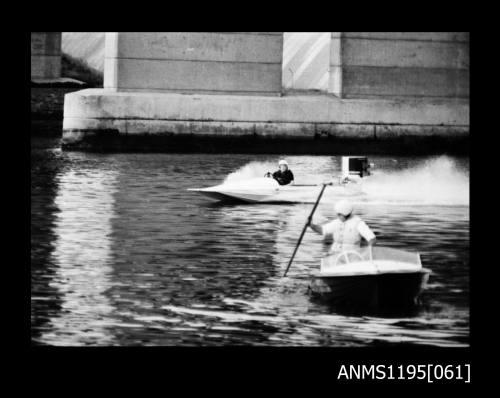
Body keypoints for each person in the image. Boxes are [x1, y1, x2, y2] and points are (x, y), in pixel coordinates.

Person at [308, 200, 376, 255]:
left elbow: (372, 239)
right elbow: (322, 230)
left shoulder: (358, 223)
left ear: (346, 214)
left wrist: (366, 253)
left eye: (339, 214)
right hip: (334, 255)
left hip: (352, 257)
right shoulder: (336, 222)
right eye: (338, 214)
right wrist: (311, 225)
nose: (337, 215)